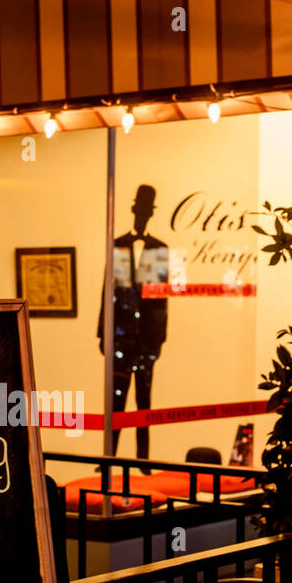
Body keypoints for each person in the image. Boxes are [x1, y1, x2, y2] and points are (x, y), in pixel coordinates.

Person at [97, 184, 169, 460]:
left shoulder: (158, 248)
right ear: (133, 210)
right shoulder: (117, 245)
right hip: (121, 335)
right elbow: (108, 291)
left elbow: (160, 298)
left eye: (146, 211)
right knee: (116, 399)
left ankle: (143, 457)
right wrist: (103, 333)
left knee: (144, 400)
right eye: (140, 210)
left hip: (147, 337)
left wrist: (160, 338)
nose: (143, 215)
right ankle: (109, 456)